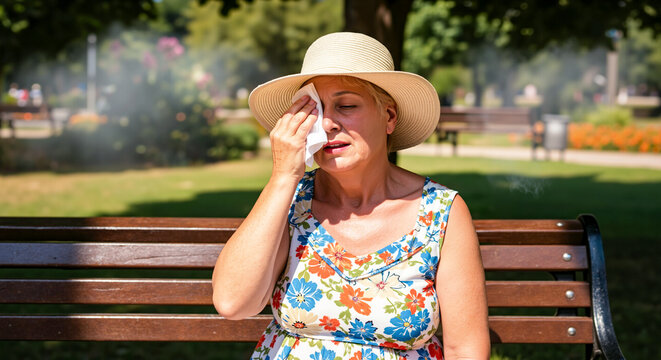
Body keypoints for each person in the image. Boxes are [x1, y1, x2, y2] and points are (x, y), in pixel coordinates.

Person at [212, 32, 490, 360]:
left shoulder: (441, 211)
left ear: (388, 117)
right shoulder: (291, 200)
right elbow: (232, 302)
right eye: (314, 109)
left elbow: (465, 349)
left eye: (346, 105)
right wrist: (283, 176)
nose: (327, 123)